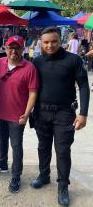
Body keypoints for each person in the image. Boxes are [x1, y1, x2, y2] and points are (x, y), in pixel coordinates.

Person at [30, 27, 90, 206]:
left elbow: (84, 86)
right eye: (46, 42)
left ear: (60, 40)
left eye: (54, 41)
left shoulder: (73, 60)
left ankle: (63, 186)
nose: (50, 45)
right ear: (41, 42)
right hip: (41, 111)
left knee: (63, 151)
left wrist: (83, 114)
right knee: (43, 147)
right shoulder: (37, 61)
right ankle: (44, 175)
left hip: (65, 112)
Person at [0, 35, 39, 193]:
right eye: (10, 47)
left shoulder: (29, 68)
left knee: (16, 146)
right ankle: (2, 164)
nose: (13, 51)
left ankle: (16, 175)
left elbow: (33, 93)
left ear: (23, 49)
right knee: (2, 140)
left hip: (18, 116)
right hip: (0, 112)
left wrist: (27, 113)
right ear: (5, 48)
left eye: (17, 48)